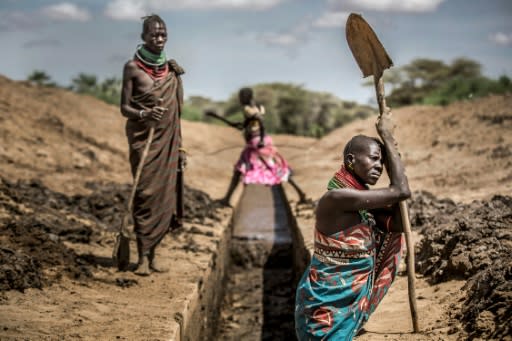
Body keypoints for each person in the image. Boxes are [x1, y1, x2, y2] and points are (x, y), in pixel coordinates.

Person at [294, 110, 410, 340]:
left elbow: (397, 224)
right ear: (351, 161)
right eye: (374, 159)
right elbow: (401, 191)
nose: (379, 165)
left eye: (382, 161)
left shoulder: (361, 201)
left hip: (345, 303)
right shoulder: (337, 198)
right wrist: (387, 138)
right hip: (326, 307)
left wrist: (391, 158)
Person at [120, 14, 186, 276]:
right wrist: (144, 114)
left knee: (164, 197)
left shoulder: (172, 71)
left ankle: (153, 254)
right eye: (153, 34)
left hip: (168, 142)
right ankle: (141, 257)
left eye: (163, 34)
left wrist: (180, 147)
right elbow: (124, 108)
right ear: (143, 37)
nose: (159, 39)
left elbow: (177, 115)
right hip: (143, 140)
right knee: (145, 193)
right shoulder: (132, 68)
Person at [212, 87, 308, 206]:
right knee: (274, 167)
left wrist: (261, 139)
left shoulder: (247, 109)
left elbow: (259, 121)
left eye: (241, 97)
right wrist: (221, 119)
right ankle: (300, 193)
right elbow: (247, 124)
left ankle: (227, 199)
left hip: (256, 143)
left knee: (239, 170)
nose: (240, 99)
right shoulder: (257, 107)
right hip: (262, 141)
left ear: (244, 97)